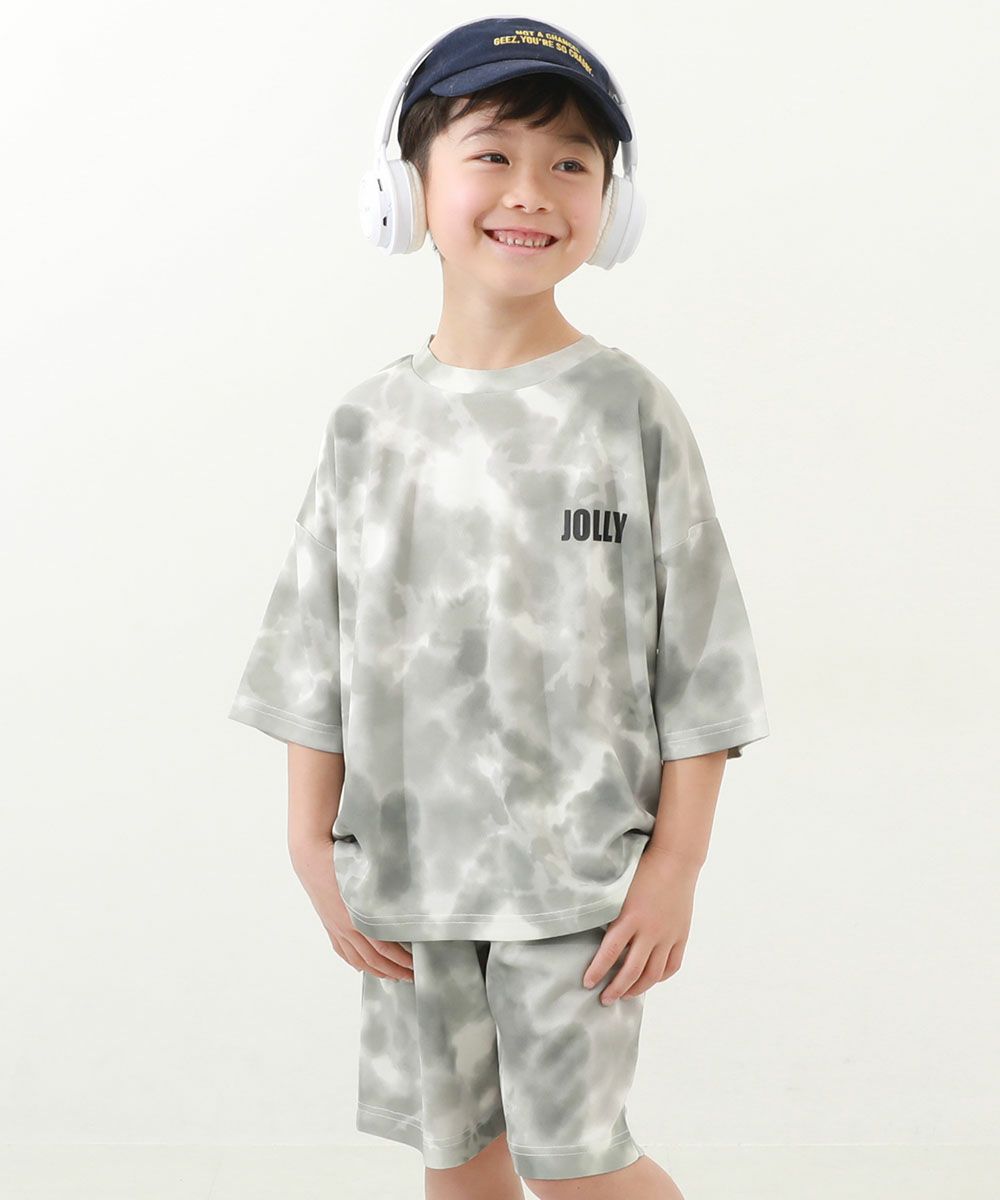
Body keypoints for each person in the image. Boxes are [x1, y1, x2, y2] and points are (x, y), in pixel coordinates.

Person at [228, 16, 770, 1199]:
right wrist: (309, 846)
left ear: (611, 203)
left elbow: (701, 665)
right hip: (409, 881)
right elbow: (315, 651)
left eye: (570, 161)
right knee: (458, 1160)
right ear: (405, 186)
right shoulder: (367, 424)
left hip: (577, 883)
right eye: (492, 153)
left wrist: (675, 864)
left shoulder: (628, 411)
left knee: (576, 1165)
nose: (531, 189)